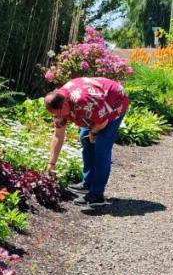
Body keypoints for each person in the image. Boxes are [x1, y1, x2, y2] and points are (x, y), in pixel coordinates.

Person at [44, 76, 129, 207]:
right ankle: (88, 182)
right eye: (55, 114)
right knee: (86, 140)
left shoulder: (83, 101)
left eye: (59, 113)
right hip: (96, 106)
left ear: (66, 104)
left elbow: (102, 121)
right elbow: (58, 136)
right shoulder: (58, 105)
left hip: (114, 102)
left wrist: (94, 132)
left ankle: (97, 195)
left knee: (101, 147)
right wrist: (51, 163)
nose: (58, 117)